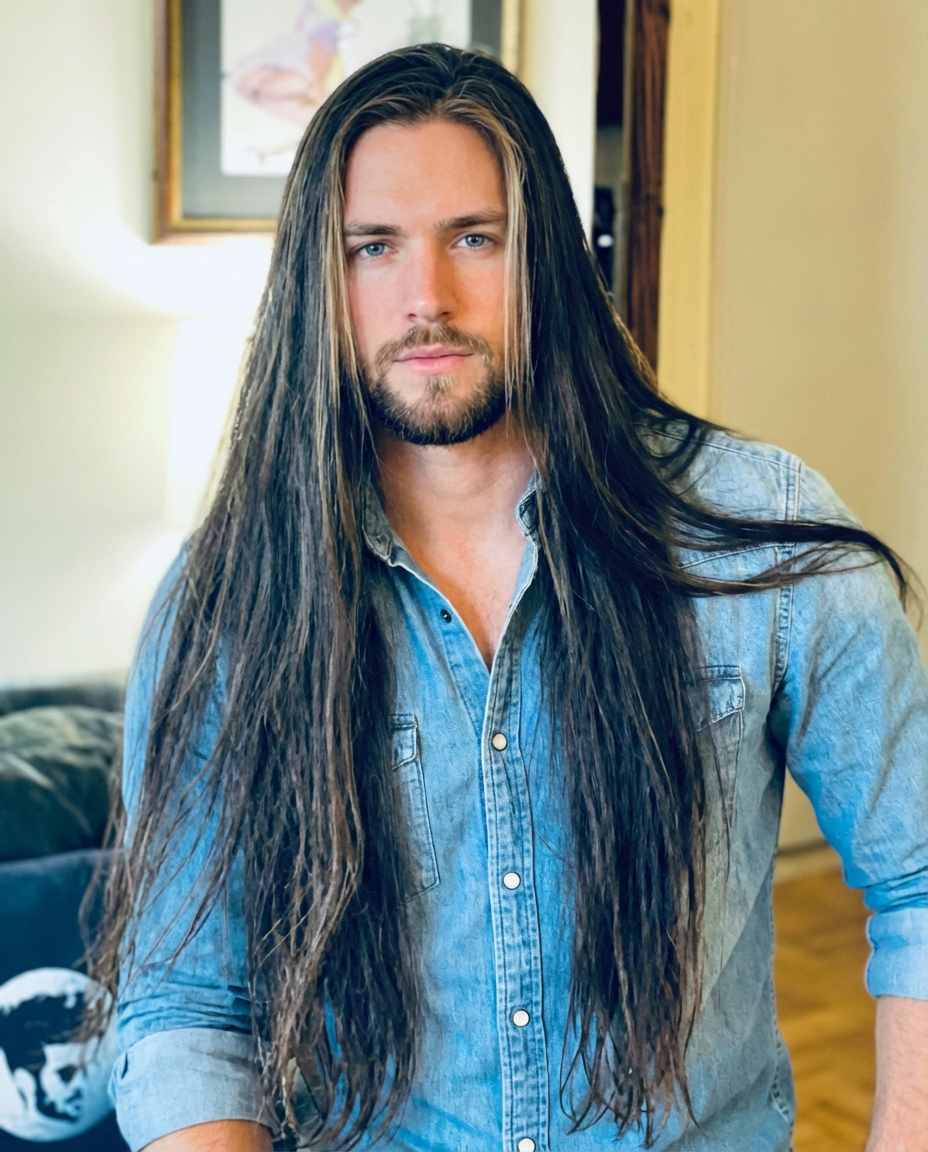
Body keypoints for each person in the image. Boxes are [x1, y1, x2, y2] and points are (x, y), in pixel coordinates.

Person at [93, 45, 928, 1152]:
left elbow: (916, 876)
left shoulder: (753, 531)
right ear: (317, 278)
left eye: (474, 239)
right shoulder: (227, 603)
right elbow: (186, 1006)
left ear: (549, 258)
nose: (426, 298)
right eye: (372, 247)